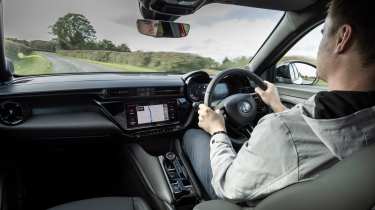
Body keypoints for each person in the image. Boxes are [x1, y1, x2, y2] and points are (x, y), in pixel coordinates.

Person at [182, 0, 375, 203]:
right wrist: (277, 106)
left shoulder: (280, 130)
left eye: (323, 31)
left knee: (192, 136)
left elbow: (227, 186)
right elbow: (308, 139)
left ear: (342, 38)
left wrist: (217, 130)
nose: (320, 42)